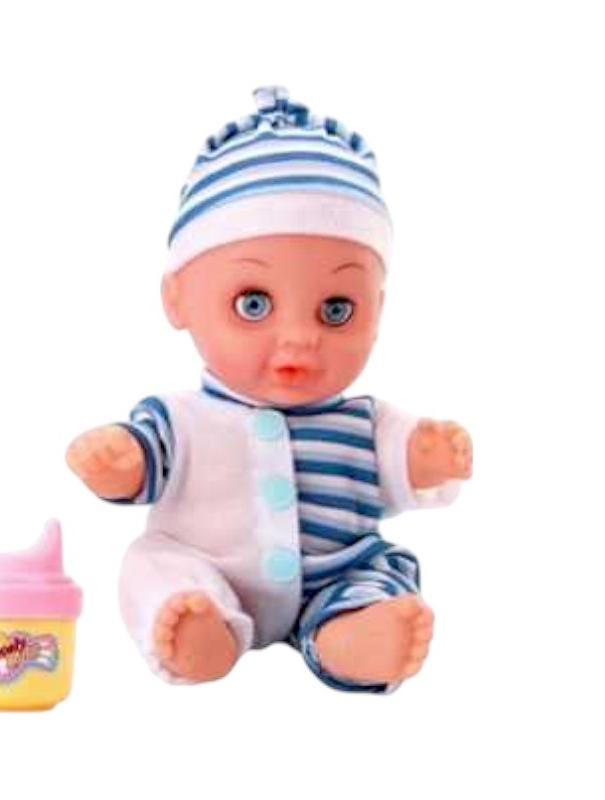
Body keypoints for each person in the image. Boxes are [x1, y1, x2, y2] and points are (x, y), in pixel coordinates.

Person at [66, 86, 472, 693]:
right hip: (210, 568)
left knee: (377, 574)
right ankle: (199, 629)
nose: (299, 339)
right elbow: (145, 462)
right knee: (152, 563)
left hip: (336, 572)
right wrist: (118, 462)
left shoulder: (367, 424)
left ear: (378, 311)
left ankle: (350, 636)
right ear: (177, 299)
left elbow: (402, 462)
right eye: (253, 304)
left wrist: (427, 456)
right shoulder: (182, 419)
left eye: (336, 310)